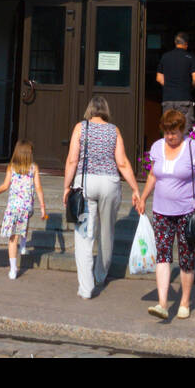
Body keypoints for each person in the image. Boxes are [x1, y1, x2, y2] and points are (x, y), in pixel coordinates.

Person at [138, 108, 195, 320]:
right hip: (161, 211)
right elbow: (153, 175)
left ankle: (184, 302)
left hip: (187, 213)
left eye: (174, 133)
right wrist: (143, 197)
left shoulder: (193, 147)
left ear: (182, 130)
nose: (170, 137)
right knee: (162, 255)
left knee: (186, 258)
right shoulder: (157, 147)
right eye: (166, 132)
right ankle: (162, 304)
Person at [62, 95, 141, 299]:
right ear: (105, 110)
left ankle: (86, 287)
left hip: (85, 182)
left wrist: (66, 187)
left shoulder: (80, 128)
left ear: (89, 110)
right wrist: (135, 188)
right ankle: (100, 275)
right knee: (107, 232)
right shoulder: (114, 130)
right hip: (109, 183)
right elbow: (122, 162)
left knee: (84, 236)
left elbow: (72, 160)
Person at [0, 139, 46, 280]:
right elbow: (38, 188)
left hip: (13, 207)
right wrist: (43, 207)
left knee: (12, 238)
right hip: (27, 207)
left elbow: (5, 185)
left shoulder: (11, 167)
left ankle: (13, 269)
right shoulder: (33, 168)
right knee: (25, 220)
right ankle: (24, 244)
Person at [156, 32, 195, 133]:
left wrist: (169, 86)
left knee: (168, 130)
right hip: (184, 99)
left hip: (168, 99)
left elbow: (159, 78)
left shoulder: (165, 56)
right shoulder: (190, 57)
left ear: (175, 43)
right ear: (186, 44)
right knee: (184, 131)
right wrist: (188, 87)